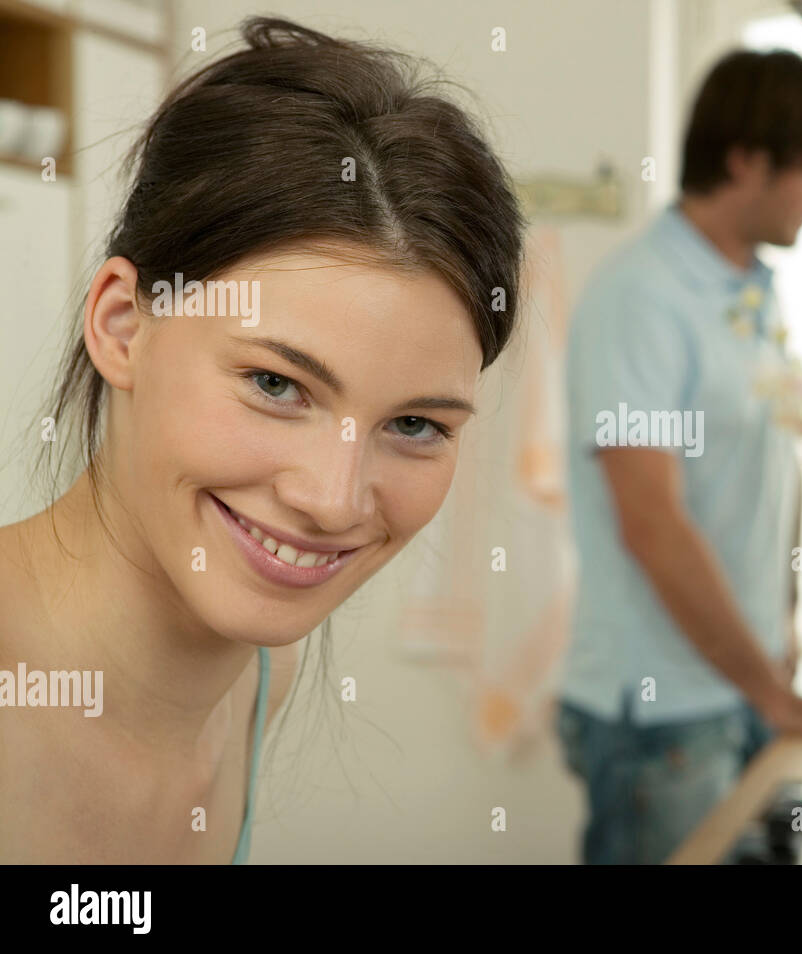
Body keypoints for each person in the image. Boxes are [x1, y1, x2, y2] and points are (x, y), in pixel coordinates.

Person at [0, 16, 525, 862]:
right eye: (275, 384)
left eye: (415, 424)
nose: (331, 499)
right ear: (123, 326)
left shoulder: (254, 684)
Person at [555, 49, 802, 866]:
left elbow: (768, 467)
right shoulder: (644, 297)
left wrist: (780, 638)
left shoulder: (748, 288)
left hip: (735, 689)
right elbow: (652, 522)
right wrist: (774, 691)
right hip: (662, 713)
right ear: (746, 161)